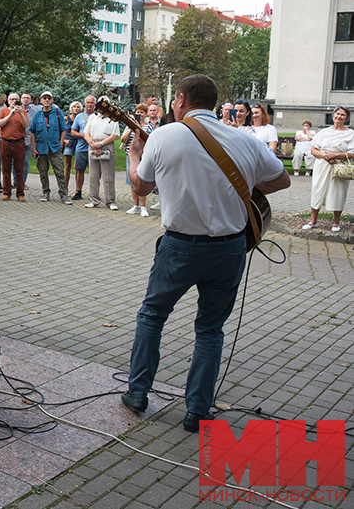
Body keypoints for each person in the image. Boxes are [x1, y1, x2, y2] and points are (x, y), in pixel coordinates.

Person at [121, 74, 289, 433]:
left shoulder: (165, 134)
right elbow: (282, 180)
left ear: (180, 99)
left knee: (152, 316)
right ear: (213, 103)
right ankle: (197, 411)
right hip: (230, 248)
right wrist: (242, 184)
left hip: (180, 246)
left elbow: (140, 185)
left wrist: (135, 155)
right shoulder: (244, 139)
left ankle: (137, 394)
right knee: (210, 330)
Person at [302, 106, 354, 232]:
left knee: (338, 192)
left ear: (346, 118)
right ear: (333, 116)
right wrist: (325, 156)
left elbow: (352, 153)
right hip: (322, 165)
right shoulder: (324, 132)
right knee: (318, 190)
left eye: (342, 115)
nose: (339, 116)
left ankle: (336, 222)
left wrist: (335, 155)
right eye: (337, 114)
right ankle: (313, 220)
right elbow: (314, 150)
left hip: (340, 167)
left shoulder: (351, 133)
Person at [29, 91, 70, 203]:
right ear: (41, 100)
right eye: (44, 98)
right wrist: (33, 148)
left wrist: (61, 144)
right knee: (43, 172)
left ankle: (63, 194)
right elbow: (32, 132)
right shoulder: (37, 114)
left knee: (60, 172)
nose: (46, 100)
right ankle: (45, 192)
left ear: (52, 100)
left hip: (55, 147)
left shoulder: (57, 113)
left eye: (49, 98)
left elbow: (63, 129)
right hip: (41, 148)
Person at [82, 99, 120, 210]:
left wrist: (101, 144)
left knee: (108, 176)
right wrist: (93, 144)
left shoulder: (113, 118)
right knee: (93, 175)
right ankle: (94, 200)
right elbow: (86, 133)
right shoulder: (93, 117)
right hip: (93, 144)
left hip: (106, 145)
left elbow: (115, 135)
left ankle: (110, 201)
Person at [0, 93, 29, 201]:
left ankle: (20, 194)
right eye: (12, 99)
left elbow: (25, 125)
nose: (14, 101)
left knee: (19, 169)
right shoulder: (3, 111)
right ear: (8, 101)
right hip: (5, 143)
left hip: (19, 143)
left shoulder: (23, 112)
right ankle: (7, 192)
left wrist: (20, 113)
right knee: (6, 169)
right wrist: (10, 114)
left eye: (16, 99)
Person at [121, 104, 151, 216]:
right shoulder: (129, 126)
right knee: (132, 182)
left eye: (142, 112)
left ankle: (143, 207)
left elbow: (148, 139)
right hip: (130, 156)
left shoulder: (148, 126)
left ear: (145, 114)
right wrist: (131, 128)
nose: (139, 114)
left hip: (143, 157)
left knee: (141, 181)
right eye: (137, 112)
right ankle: (135, 206)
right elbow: (123, 139)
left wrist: (139, 128)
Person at [70, 96, 95, 200]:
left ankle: (94, 193)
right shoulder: (79, 116)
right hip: (81, 148)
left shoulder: (98, 116)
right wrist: (84, 135)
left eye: (91, 103)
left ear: (95, 104)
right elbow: (72, 132)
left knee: (95, 172)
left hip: (94, 148)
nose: (89, 105)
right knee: (79, 170)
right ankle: (78, 191)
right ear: (85, 104)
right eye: (88, 102)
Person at [63, 101, 81, 196]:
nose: (76, 108)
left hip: (79, 142)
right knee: (67, 166)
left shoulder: (81, 118)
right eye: (74, 107)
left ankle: (78, 190)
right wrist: (65, 140)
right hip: (69, 142)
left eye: (78, 107)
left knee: (78, 167)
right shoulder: (66, 118)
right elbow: (60, 130)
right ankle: (65, 188)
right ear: (71, 108)